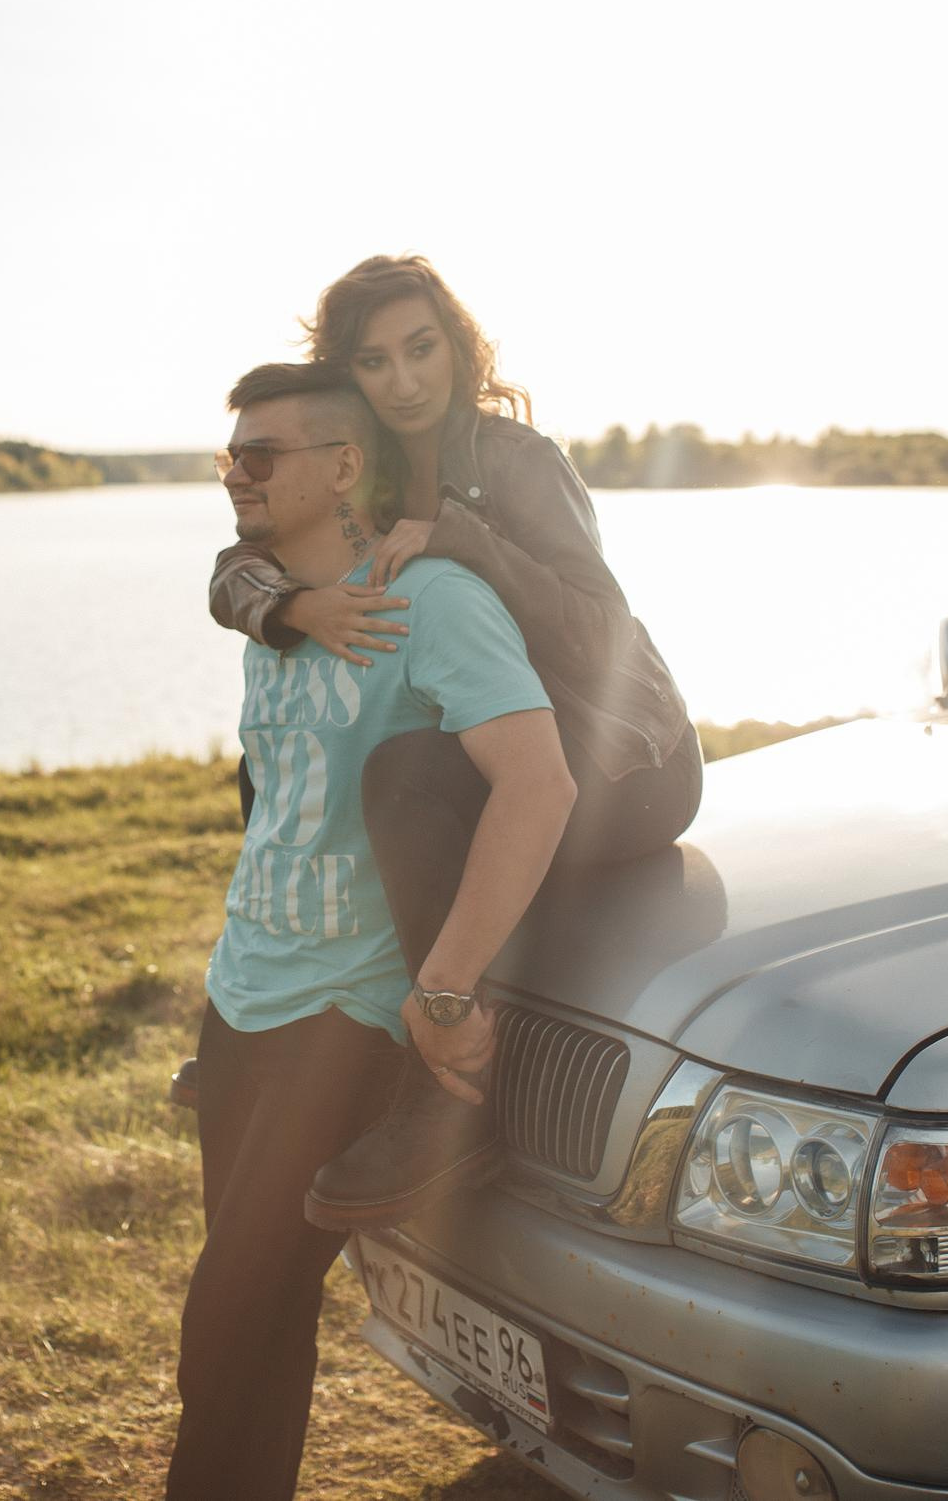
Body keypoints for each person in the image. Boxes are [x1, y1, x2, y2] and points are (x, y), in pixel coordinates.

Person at [204, 254, 702, 1231]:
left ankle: (447, 1101)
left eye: (421, 349)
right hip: (492, 738)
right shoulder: (363, 464)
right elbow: (232, 569)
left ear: (457, 344)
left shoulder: (516, 461)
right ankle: (276, 1033)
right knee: (279, 765)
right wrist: (293, 604)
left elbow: (600, 635)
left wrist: (467, 543)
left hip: (624, 758)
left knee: (403, 774)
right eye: (375, 361)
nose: (404, 381)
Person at [167, 361, 576, 1501]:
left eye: (263, 455)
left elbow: (538, 785)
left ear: (344, 466)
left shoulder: (429, 600)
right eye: (228, 455)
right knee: (256, 1321)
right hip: (241, 997)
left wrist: (441, 986)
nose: (236, 474)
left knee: (228, 1322)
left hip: (344, 1017)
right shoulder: (275, 608)